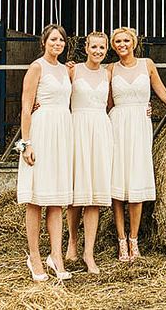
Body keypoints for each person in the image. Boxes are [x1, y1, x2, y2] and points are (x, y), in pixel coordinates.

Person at [109, 27, 166, 262]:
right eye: (117, 41)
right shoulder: (110, 69)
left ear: (133, 42)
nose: (122, 44)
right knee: (117, 185)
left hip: (139, 126)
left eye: (126, 40)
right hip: (117, 125)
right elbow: (101, 100)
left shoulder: (147, 65)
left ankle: (134, 240)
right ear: (113, 44)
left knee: (136, 182)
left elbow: (163, 94)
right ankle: (121, 240)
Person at [16, 24, 73, 281]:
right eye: (53, 39)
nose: (57, 43)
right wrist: (25, 143)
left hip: (62, 133)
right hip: (41, 133)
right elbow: (26, 108)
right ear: (44, 42)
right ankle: (34, 257)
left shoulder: (66, 70)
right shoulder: (36, 67)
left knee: (56, 199)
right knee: (36, 199)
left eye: (61, 40)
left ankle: (56, 256)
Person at [65, 31, 113, 275]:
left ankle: (89, 253)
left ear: (106, 50)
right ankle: (72, 242)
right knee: (76, 193)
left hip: (101, 130)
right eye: (94, 46)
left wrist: (144, 108)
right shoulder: (73, 71)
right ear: (86, 48)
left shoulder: (108, 73)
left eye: (102, 48)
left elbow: (115, 103)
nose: (98, 51)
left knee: (95, 195)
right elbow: (57, 94)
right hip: (77, 129)